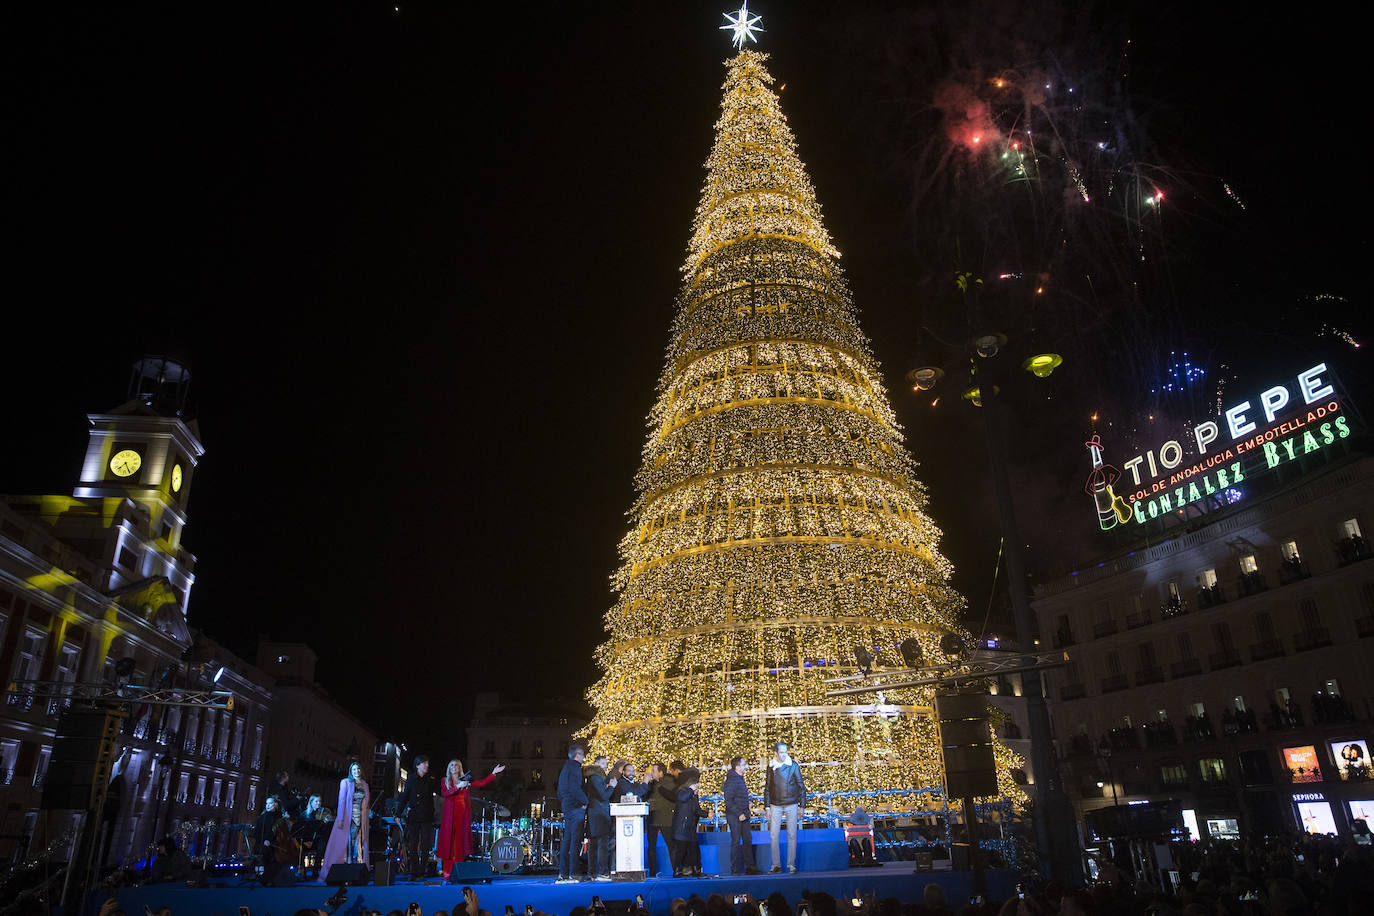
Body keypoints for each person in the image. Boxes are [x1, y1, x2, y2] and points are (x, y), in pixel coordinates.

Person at [437, 757, 506, 877]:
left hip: (462, 815)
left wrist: (493, 773)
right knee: (449, 843)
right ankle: (447, 871)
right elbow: (444, 793)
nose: (454, 767)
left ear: (459, 768)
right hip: (450, 816)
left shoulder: (465, 781)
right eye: (452, 765)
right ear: (449, 768)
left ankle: (457, 871)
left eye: (456, 765)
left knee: (458, 843)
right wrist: (458, 786)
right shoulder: (445, 781)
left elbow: (481, 783)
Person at [764, 741, 805, 874]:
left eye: (785, 752)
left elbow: (801, 786)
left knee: (792, 834)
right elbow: (767, 787)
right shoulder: (771, 767)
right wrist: (767, 807)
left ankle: (791, 864)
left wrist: (802, 805)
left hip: (791, 804)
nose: (784, 754)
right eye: (781, 752)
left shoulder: (793, 766)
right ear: (775, 753)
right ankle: (776, 865)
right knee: (773, 835)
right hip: (775, 805)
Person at [397, 755, 442, 877]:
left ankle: (422, 870)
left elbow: (440, 790)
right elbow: (405, 796)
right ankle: (414, 870)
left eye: (427, 763)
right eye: (424, 763)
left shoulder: (430, 779)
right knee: (413, 844)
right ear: (417, 765)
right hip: (414, 816)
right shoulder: (411, 779)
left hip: (426, 816)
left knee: (426, 844)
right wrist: (398, 813)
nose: (427, 765)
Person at [323, 760, 370, 871]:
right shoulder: (345, 782)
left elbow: (366, 803)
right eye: (354, 769)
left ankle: (356, 866)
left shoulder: (365, 784)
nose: (356, 771)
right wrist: (340, 818)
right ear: (350, 771)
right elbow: (342, 801)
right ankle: (347, 865)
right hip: (349, 816)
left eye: (358, 769)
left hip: (361, 817)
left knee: (359, 841)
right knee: (348, 841)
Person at [557, 744, 589, 882]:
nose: (584, 758)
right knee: (575, 841)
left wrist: (565, 801)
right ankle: (574, 873)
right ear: (578, 755)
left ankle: (563, 873)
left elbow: (560, 789)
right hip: (576, 807)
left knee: (567, 840)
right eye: (582, 755)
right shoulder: (576, 767)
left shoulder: (565, 768)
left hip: (567, 805)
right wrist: (585, 801)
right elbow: (575, 788)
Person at [723, 757, 758, 875]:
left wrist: (747, 803)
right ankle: (735, 869)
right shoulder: (732, 780)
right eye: (743, 764)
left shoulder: (739, 778)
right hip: (735, 816)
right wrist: (739, 813)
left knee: (747, 840)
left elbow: (737, 797)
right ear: (737, 767)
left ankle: (750, 867)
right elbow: (728, 800)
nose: (746, 766)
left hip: (744, 814)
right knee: (736, 842)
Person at [585, 754, 616, 880]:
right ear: (597, 764)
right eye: (603, 763)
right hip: (599, 813)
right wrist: (611, 786)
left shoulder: (595, 777)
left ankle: (593, 872)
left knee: (594, 844)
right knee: (602, 843)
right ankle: (602, 872)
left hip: (595, 812)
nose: (605, 766)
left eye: (606, 763)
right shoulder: (596, 777)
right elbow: (603, 795)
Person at [671, 768, 705, 877]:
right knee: (681, 851)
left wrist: (706, 814)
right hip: (682, 827)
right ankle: (677, 870)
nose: (697, 790)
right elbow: (682, 798)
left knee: (694, 850)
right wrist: (691, 790)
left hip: (690, 828)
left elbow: (697, 810)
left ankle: (696, 870)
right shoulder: (683, 792)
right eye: (696, 787)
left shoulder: (694, 797)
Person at [644, 762, 673, 877]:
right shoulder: (651, 784)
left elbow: (665, 801)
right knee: (651, 847)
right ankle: (652, 872)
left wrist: (652, 803)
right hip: (652, 819)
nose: (652, 773)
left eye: (654, 771)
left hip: (665, 819)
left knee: (671, 845)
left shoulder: (668, 783)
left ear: (661, 773)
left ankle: (676, 869)